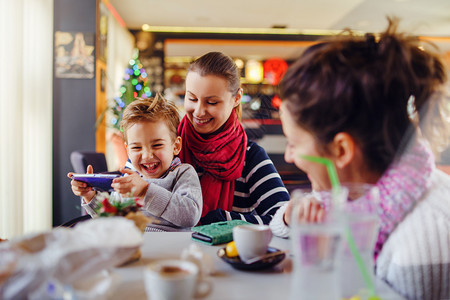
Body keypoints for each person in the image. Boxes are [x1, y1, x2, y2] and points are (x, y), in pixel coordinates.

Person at [268, 19, 450, 299]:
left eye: (293, 143)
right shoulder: (350, 196)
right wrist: (292, 217)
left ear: (341, 150)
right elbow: (281, 227)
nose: (290, 156)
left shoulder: (420, 247)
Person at [178, 51, 290, 225]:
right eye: (192, 98)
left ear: (236, 98)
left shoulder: (251, 157)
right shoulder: (167, 144)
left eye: (212, 102)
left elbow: (285, 220)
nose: (199, 111)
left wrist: (224, 221)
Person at [68, 96, 202, 232]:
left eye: (157, 145)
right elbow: (111, 219)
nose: (147, 155)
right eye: (137, 148)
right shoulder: (128, 180)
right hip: (131, 243)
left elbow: (190, 216)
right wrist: (90, 196)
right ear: (128, 151)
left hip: (169, 247)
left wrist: (145, 191)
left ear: (176, 146)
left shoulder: (183, 173)